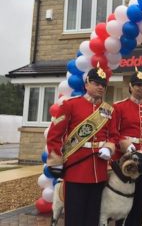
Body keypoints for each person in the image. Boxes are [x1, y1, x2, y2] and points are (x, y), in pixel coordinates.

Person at [46, 66, 118, 226]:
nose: (100, 87)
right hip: (76, 170)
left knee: (93, 217)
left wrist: (109, 147)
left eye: (103, 84)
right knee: (75, 218)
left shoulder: (108, 110)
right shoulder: (70, 105)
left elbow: (114, 136)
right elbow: (54, 135)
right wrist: (56, 162)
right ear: (86, 84)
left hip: (99, 171)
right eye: (96, 83)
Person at [113, 69, 142, 226]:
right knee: (122, 199)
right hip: (126, 161)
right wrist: (126, 145)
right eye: (138, 85)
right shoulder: (119, 107)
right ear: (130, 86)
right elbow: (114, 133)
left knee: (140, 200)